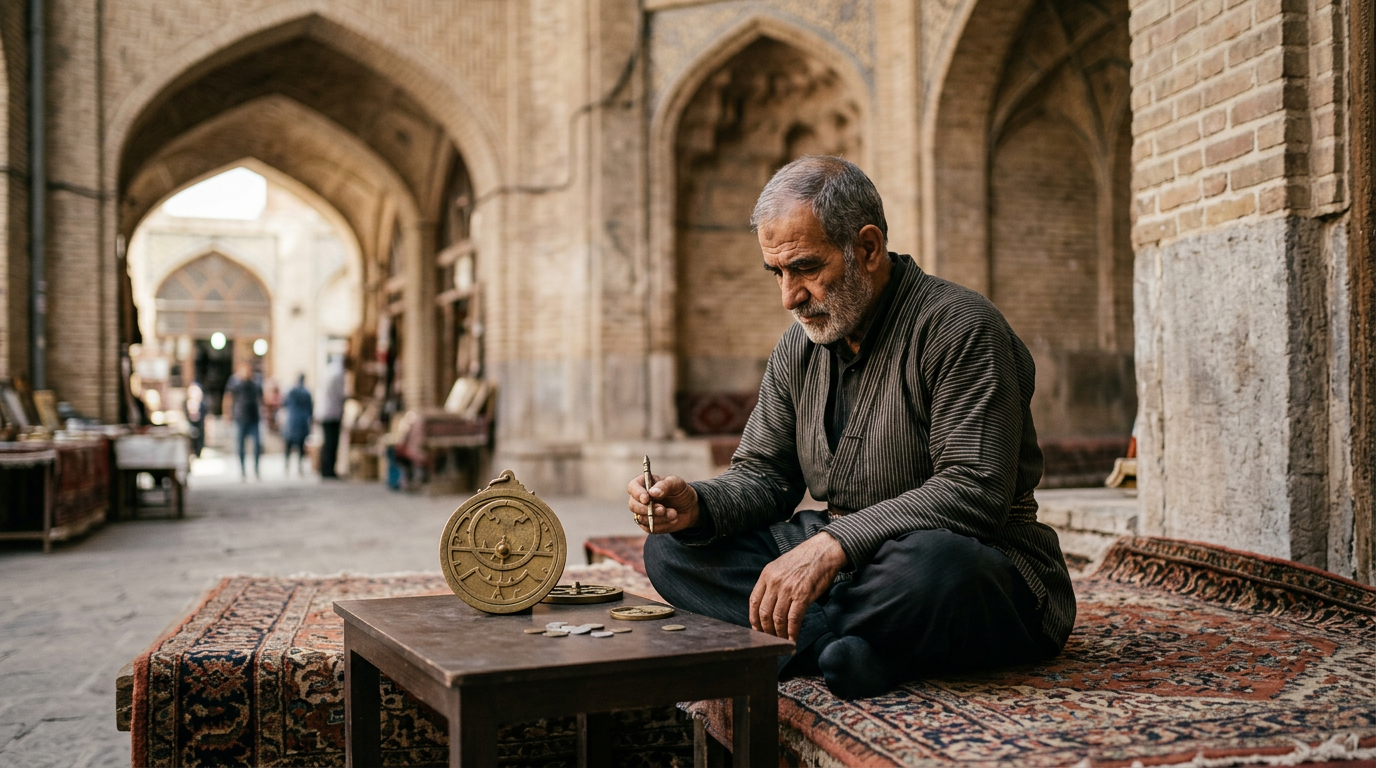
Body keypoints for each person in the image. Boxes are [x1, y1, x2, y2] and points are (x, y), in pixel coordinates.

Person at [627, 156, 1075, 699]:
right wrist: (697, 505)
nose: (789, 296)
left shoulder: (961, 327)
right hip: (850, 571)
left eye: (807, 268)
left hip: (967, 563)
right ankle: (858, 646)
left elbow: (974, 492)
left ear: (866, 248)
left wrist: (836, 543)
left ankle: (818, 639)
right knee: (671, 551)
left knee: (938, 567)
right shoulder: (799, 345)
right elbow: (766, 476)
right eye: (778, 272)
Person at [224, 362, 264, 480]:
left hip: (254, 418)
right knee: (240, 446)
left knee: (257, 444)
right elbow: (228, 398)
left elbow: (261, 398)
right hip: (240, 417)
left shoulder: (256, 382)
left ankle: (256, 469)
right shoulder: (235, 382)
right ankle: (242, 471)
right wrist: (227, 414)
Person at [318, 358, 348, 479]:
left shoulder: (328, 371)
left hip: (325, 412)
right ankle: (329, 470)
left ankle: (326, 469)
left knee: (327, 442)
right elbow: (340, 394)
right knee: (331, 442)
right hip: (332, 413)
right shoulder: (338, 373)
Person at [282, 374, 313, 476]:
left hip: (292, 421)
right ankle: (299, 468)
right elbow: (310, 409)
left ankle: (287, 466)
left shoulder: (291, 391)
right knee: (300, 445)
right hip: (302, 422)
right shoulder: (306, 393)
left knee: (288, 445)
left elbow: (284, 404)